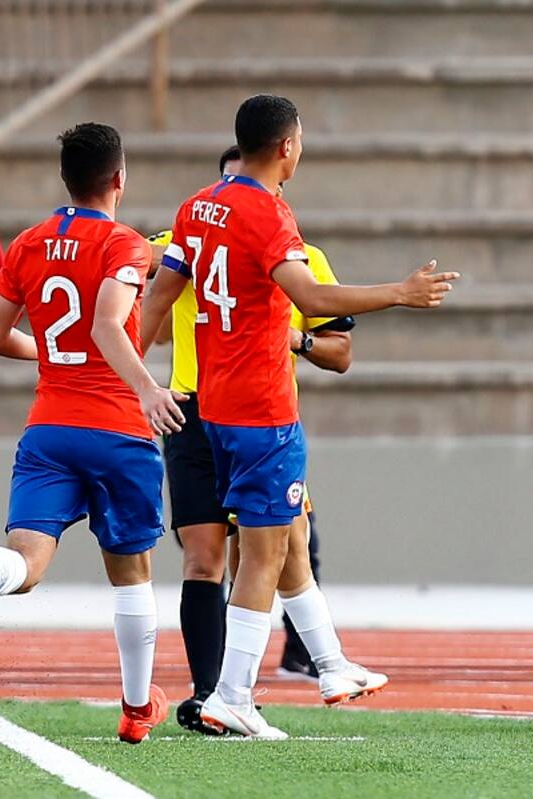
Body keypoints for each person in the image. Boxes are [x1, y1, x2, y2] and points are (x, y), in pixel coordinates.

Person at [141, 94, 458, 739]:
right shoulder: (269, 213)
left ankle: (333, 665)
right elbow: (309, 294)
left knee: (289, 541)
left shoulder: (196, 207)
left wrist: (133, 376)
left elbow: (159, 293)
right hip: (263, 407)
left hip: (214, 403)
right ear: (287, 146)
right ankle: (231, 695)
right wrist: (401, 293)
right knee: (261, 555)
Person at [0, 123, 184, 743]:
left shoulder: (29, 242)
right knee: (132, 572)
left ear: (65, 179)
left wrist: (55, 355)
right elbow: (108, 325)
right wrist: (147, 388)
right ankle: (137, 709)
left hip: (49, 428)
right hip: (116, 429)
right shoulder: (125, 244)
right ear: (119, 179)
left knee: (26, 564)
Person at [147, 146, 355, 735]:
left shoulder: (302, 256)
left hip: (258, 413)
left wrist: (297, 340)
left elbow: (340, 352)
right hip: (194, 410)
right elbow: (151, 299)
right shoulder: (188, 233)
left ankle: (299, 669)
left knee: (280, 548)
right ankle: (215, 692)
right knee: (207, 557)